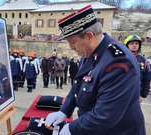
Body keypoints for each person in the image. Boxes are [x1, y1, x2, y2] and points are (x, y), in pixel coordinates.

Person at [45, 5, 146, 135]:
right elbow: (78, 85)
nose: (71, 47)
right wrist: (64, 111)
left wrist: (71, 129)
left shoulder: (119, 62)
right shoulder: (90, 52)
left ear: (89, 36)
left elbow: (105, 115)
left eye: (72, 42)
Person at [124, 35, 151, 101]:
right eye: (132, 43)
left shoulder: (144, 60)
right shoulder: (121, 58)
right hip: (122, 93)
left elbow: (147, 79)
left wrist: (143, 95)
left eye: (136, 43)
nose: (134, 45)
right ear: (127, 45)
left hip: (136, 95)